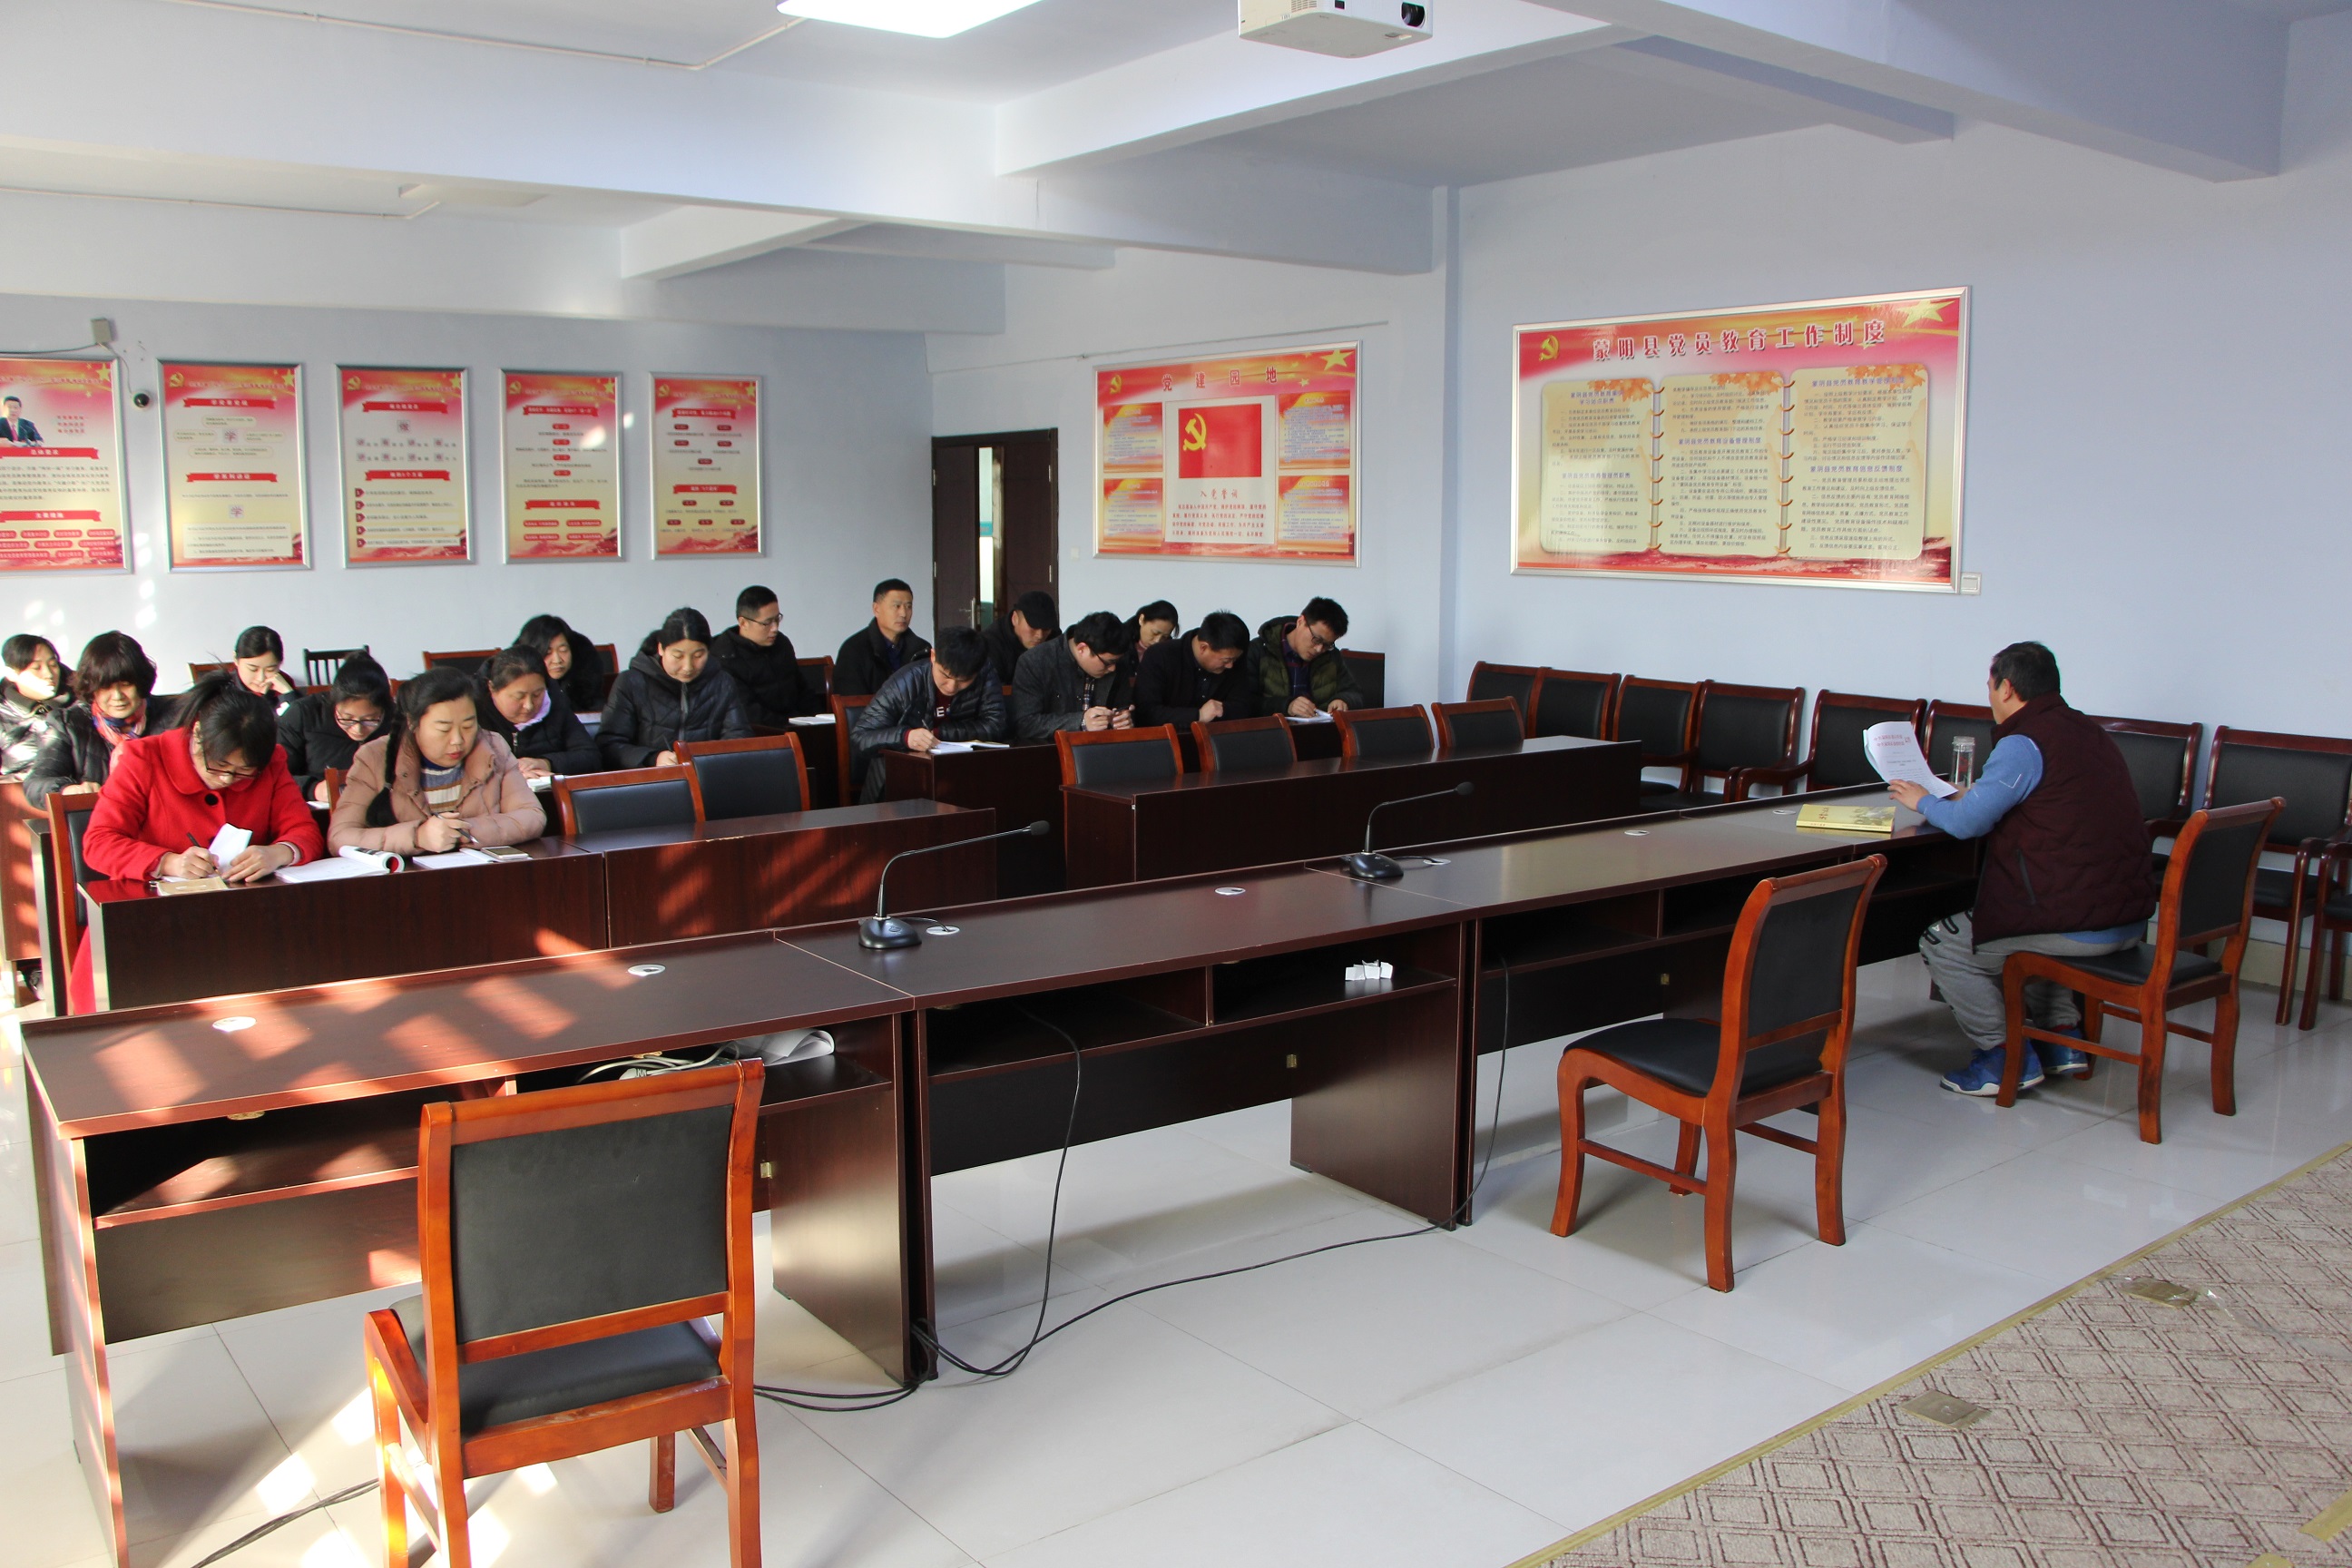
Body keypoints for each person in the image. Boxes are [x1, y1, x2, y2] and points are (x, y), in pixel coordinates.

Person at [1889, 642, 2156, 1097]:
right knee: (2039, 912)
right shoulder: (2089, 732)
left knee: (1945, 943)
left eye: (1990, 687)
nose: (1989, 697)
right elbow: (2050, 803)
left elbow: (1968, 824)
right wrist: (1971, 796)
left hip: (2076, 924)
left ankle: (2002, 1056)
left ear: (2007, 688)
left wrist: (1924, 801)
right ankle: (2061, 1039)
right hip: (2126, 914)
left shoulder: (2023, 742)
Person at [72, 672, 324, 1010]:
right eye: (218, 766)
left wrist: (279, 852)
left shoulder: (272, 763)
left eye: (242, 772)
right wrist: (167, 862)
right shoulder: (143, 758)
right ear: (197, 734)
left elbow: (304, 831)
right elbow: (99, 843)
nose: (226, 780)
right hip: (150, 926)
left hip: (244, 922)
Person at [330, 665, 545, 853]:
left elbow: (532, 816)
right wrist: (417, 837)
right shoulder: (374, 757)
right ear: (413, 723)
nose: (458, 740)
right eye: (444, 729)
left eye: (468, 726)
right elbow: (340, 837)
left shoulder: (493, 747)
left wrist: (463, 831)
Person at [848, 625, 1007, 800]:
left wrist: (938, 733)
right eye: (945, 676)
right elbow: (860, 738)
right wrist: (905, 737)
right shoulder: (905, 682)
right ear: (933, 656)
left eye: (964, 680)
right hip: (900, 782)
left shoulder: (985, 674)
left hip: (963, 775)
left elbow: (995, 725)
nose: (952, 687)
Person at [25, 631, 172, 806]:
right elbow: (35, 784)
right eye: (106, 687)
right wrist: (67, 789)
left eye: (126, 685)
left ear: (141, 682)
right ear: (91, 688)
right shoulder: (68, 723)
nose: (117, 696)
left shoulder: (175, 715)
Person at [598, 607, 753, 769]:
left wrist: (707, 760)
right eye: (678, 656)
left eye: (698, 656)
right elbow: (609, 745)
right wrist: (653, 758)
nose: (688, 667)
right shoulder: (631, 683)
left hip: (707, 775)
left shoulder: (722, 683)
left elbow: (739, 737)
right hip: (650, 778)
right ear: (661, 649)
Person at [278, 653, 393, 805]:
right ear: (334, 703)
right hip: (319, 811)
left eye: (370, 720)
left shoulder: (398, 720)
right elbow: (276, 776)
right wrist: (313, 789)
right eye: (347, 718)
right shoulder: (304, 714)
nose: (358, 729)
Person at [1010, 610, 1137, 742]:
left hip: (1103, 749)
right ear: (1082, 649)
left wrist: (1123, 720)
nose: (1112, 669)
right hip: (1049, 750)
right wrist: (1081, 722)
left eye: (1115, 662)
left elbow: (1125, 707)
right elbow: (1025, 724)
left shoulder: (1116, 662)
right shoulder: (1035, 661)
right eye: (1107, 663)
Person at [710, 584, 824, 725]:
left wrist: (820, 721)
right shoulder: (725, 657)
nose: (775, 628)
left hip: (796, 725)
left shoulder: (781, 643)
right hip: (763, 731)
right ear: (743, 623)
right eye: (767, 623)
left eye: (777, 619)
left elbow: (802, 690)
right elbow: (747, 712)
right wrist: (789, 727)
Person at [481, 646, 601, 778]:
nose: (529, 706)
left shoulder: (555, 702)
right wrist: (510, 774)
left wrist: (546, 763)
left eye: (537, 694)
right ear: (492, 688)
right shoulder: (474, 711)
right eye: (519, 697)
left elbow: (590, 756)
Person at [1134, 612, 1255, 730]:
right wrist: (1198, 716)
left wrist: (1220, 710)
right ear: (1203, 647)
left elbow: (1243, 707)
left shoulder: (1233, 659)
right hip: (1167, 738)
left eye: (1234, 659)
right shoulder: (1160, 656)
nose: (1230, 666)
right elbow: (1147, 712)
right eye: (1226, 660)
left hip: (1217, 738)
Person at [1248, 598, 1363, 718]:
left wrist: (1343, 700)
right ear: (1301, 622)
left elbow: (1354, 693)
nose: (1319, 649)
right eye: (1317, 639)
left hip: (1321, 727)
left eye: (1327, 644)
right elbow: (1247, 703)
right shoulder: (1259, 650)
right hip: (1274, 728)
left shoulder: (1331, 656)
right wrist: (1286, 706)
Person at [833, 578, 930, 697]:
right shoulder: (853, 650)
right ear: (876, 609)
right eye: (896, 606)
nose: (903, 613)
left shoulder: (922, 649)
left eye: (908, 607)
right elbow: (851, 702)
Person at [0, 633, 70, 782]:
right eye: (36, 667)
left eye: (53, 665)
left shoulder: (81, 706)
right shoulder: (2, 715)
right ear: (12, 674)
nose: (49, 674)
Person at [514, 613, 609, 717]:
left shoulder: (587, 687)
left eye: (563, 650)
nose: (557, 660)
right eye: (548, 652)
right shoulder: (516, 690)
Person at [982, 590, 1057, 689]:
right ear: (1015, 619)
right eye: (1033, 627)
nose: (1040, 635)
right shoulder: (991, 645)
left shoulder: (1055, 639)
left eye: (1046, 629)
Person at [230, 626, 301, 710]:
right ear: (236, 659)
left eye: (270, 670)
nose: (261, 678)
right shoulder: (223, 691)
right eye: (253, 669)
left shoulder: (285, 683)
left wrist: (289, 694)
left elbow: (303, 716)